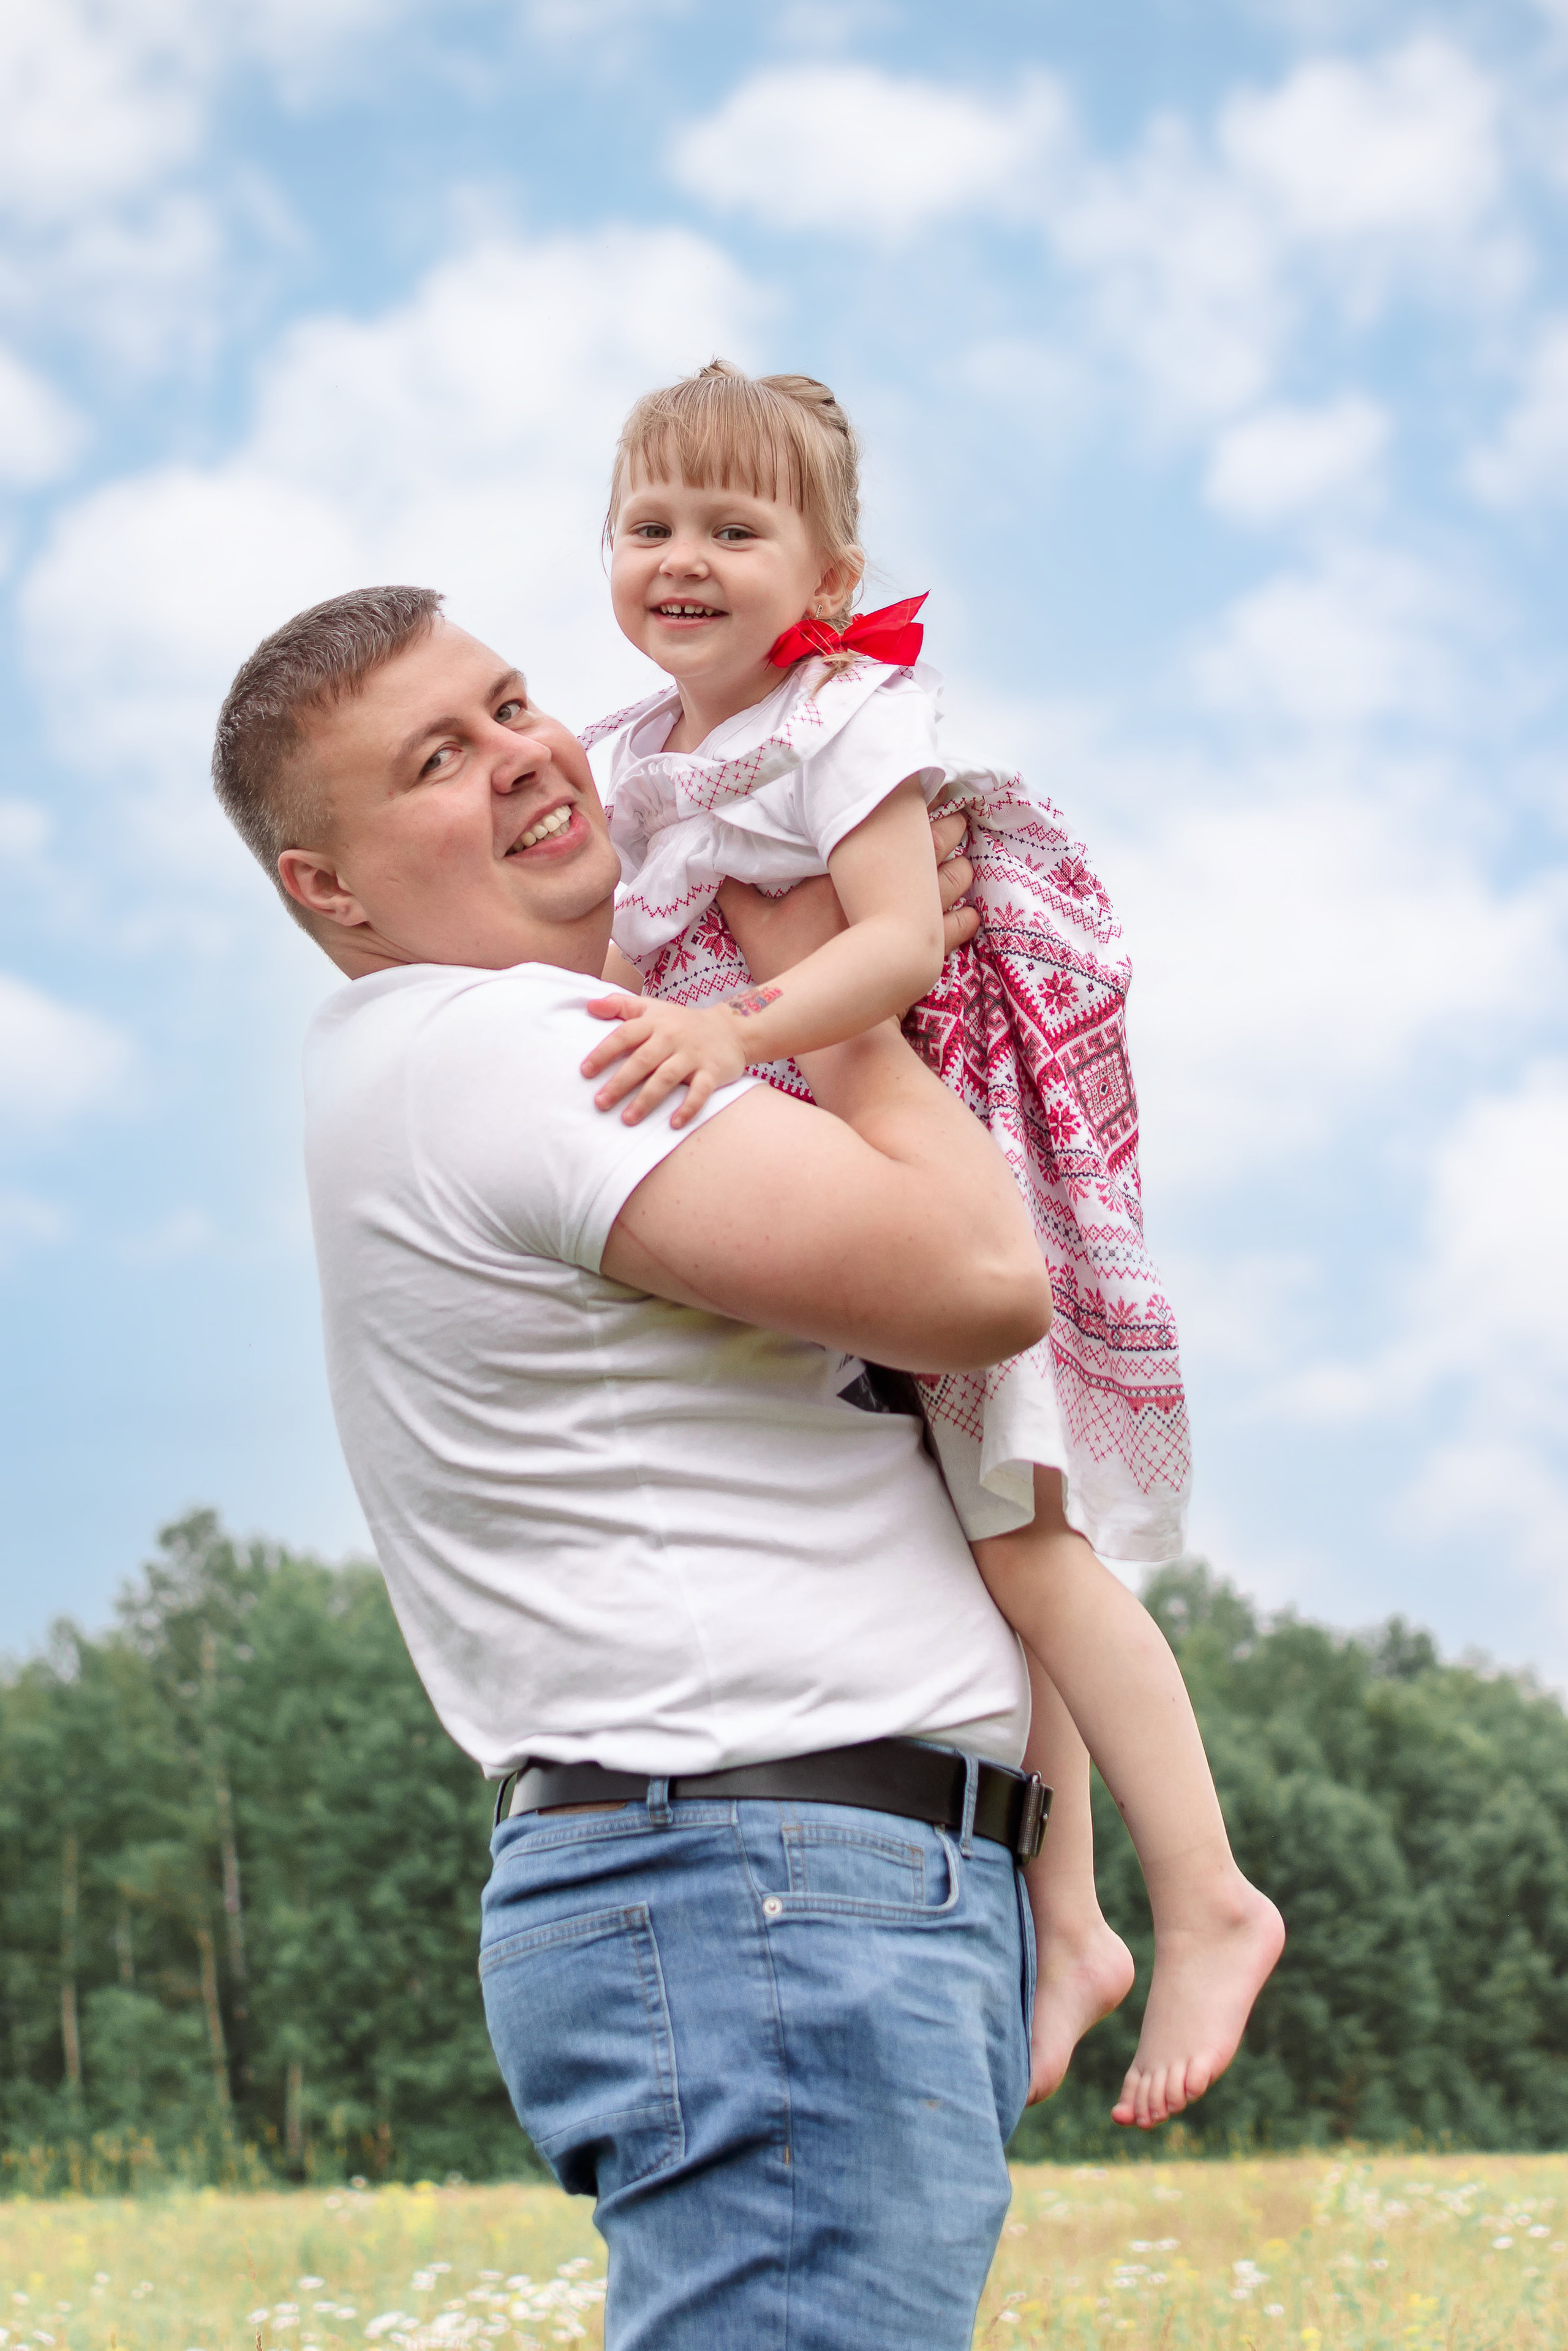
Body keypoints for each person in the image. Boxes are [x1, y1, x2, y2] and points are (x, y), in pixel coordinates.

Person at [212, 584, 1058, 2351]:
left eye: (511, 701)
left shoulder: (453, 1059)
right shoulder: (515, 1055)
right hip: (770, 1892)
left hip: (761, 1890)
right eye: (437, 760)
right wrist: (846, 995)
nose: (524, 755)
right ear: (332, 889)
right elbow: (984, 1288)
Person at [581, 360, 1283, 2129]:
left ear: (823, 575)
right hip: (821, 1184)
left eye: (734, 528)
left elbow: (895, 944)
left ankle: (1208, 1893)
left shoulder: (844, 718)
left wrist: (739, 1034)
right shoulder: (626, 758)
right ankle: (1069, 1914)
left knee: (1032, 1549)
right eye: (649, 521)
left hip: (938, 1148)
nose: (683, 554)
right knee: (971, 1552)